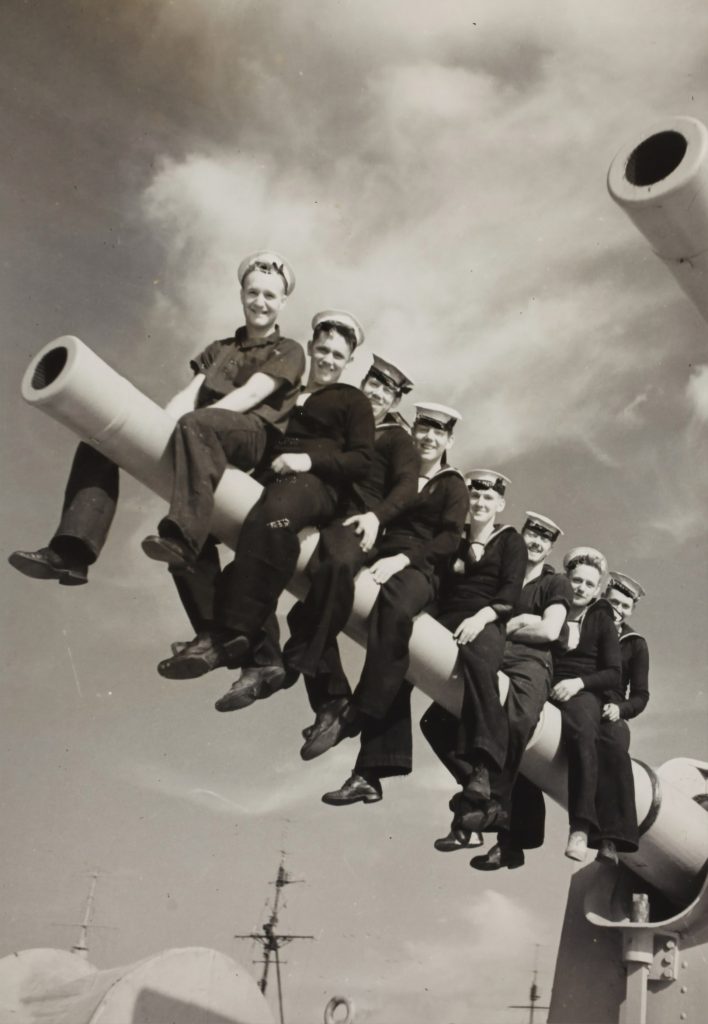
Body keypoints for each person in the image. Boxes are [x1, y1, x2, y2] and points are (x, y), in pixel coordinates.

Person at [9, 251, 303, 596]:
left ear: (282, 302)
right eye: (253, 293)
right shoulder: (220, 348)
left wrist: (191, 425)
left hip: (247, 436)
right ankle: (72, 552)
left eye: (269, 296)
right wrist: (153, 431)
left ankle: (184, 537)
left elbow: (251, 395)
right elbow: (189, 395)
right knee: (102, 439)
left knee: (198, 424)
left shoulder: (289, 349)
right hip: (199, 432)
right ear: (241, 295)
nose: (259, 302)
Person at [152, 310, 375, 679]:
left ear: (349, 361)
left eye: (337, 355)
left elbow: (362, 460)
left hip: (315, 485)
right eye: (323, 350)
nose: (328, 360)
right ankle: (211, 633)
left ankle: (233, 632)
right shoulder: (287, 391)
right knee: (190, 527)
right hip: (268, 477)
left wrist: (307, 460)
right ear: (311, 347)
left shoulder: (352, 400)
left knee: (273, 517)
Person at [213, 353, 419, 713]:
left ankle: (300, 659)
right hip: (316, 506)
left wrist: (377, 518)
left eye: (386, 392)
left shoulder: (396, 439)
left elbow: (407, 486)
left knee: (337, 566)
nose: (377, 395)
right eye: (373, 384)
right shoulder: (342, 417)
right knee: (252, 561)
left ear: (396, 401)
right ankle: (262, 660)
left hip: (355, 520)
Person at [299, 403, 470, 807]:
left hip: (421, 568)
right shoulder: (401, 474)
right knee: (308, 608)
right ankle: (332, 700)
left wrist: (404, 560)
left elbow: (448, 540)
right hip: (379, 554)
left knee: (393, 612)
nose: (428, 439)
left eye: (437, 434)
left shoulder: (451, 484)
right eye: (422, 430)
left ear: (448, 441)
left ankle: (358, 711)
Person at [419, 472, 527, 844]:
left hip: (487, 619)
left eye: (487, 499)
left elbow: (510, 591)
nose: (480, 504)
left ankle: (482, 770)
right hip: (447, 617)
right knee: (432, 723)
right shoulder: (454, 537)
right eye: (474, 498)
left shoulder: (510, 540)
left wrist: (481, 618)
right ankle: (477, 790)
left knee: (481, 668)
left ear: (499, 505)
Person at [469, 512, 573, 870]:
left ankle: (494, 808)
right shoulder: (504, 570)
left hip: (531, 661)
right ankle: (480, 792)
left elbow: (548, 632)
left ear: (550, 547)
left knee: (519, 719)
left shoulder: (555, 583)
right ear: (522, 532)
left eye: (545, 539)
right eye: (532, 533)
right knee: (437, 721)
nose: (536, 542)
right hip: (493, 654)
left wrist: (506, 625)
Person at [548, 547, 635, 863]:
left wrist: (580, 686)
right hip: (548, 683)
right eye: (576, 581)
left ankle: (589, 830)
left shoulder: (607, 624)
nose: (580, 588)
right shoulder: (552, 608)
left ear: (597, 590)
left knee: (595, 736)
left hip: (589, 692)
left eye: (588, 584)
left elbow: (617, 676)